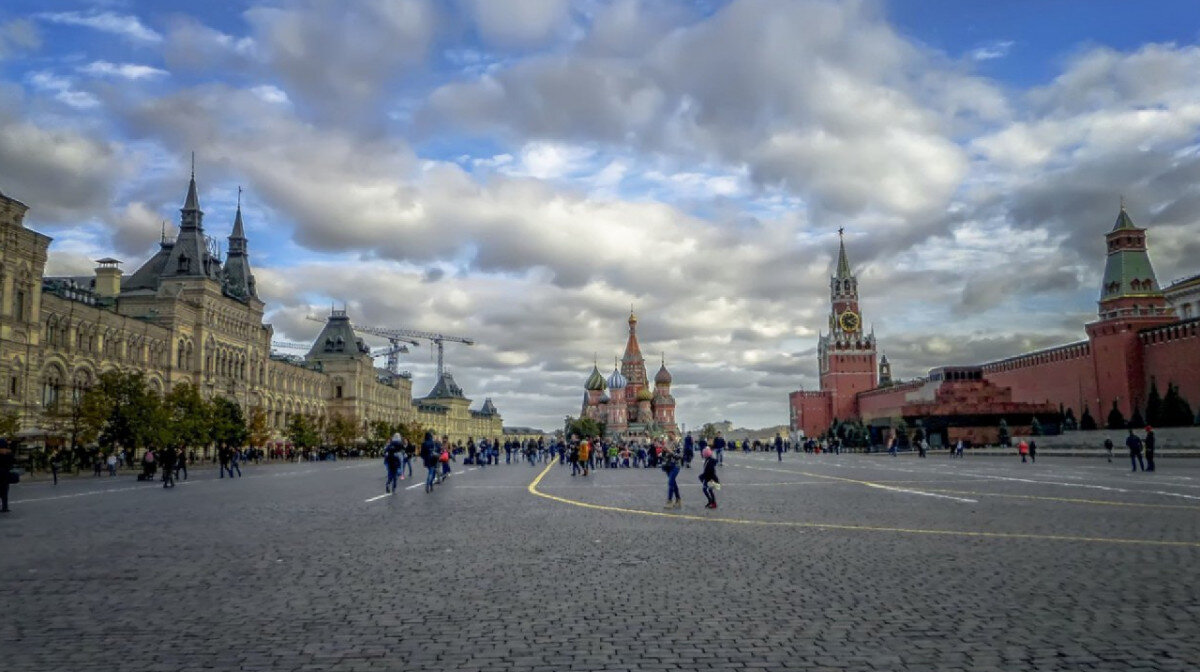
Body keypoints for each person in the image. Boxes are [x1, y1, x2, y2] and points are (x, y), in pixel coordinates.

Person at [0, 438, 15, 512]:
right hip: (5, 475)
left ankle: (5, 507)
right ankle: (5, 507)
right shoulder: (8, 454)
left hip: (4, 475)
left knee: (4, 492)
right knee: (4, 493)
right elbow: (12, 461)